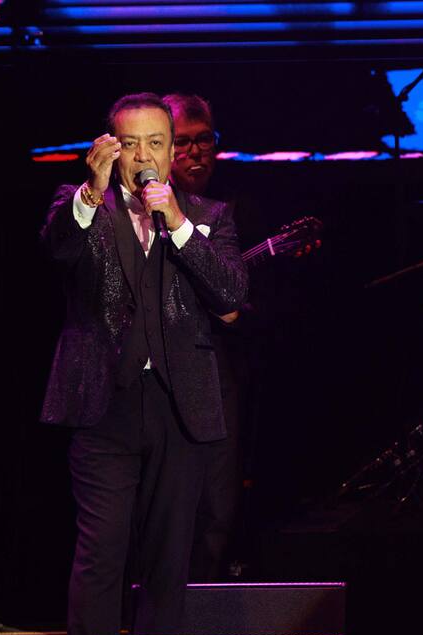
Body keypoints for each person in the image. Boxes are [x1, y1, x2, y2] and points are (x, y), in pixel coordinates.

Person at [40, 92, 246, 635]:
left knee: (167, 559)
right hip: (102, 405)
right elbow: (58, 251)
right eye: (131, 144)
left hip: (179, 407)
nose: (145, 156)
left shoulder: (208, 216)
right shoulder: (81, 206)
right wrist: (88, 190)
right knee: (101, 555)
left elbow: (231, 294)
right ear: (111, 147)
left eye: (157, 142)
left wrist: (177, 223)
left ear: (172, 148)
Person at [164, 92, 245, 581]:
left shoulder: (219, 212)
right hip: (153, 376)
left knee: (216, 503)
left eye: (205, 140)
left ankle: (203, 605)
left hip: (210, 372)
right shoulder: (134, 210)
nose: (195, 152)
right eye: (183, 143)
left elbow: (232, 301)